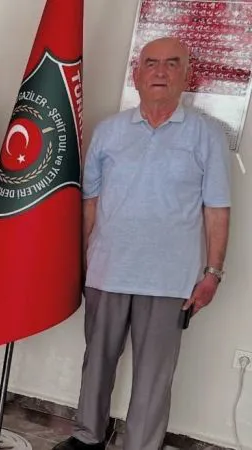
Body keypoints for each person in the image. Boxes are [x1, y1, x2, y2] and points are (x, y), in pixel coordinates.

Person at [53, 37, 231, 450]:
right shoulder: (109, 131)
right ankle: (87, 437)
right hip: (107, 270)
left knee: (154, 376)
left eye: (172, 64)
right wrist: (81, 263)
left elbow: (217, 209)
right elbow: (90, 202)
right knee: (96, 362)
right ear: (137, 74)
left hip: (169, 280)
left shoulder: (207, 135)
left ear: (187, 74)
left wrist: (213, 273)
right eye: (151, 63)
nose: (160, 72)